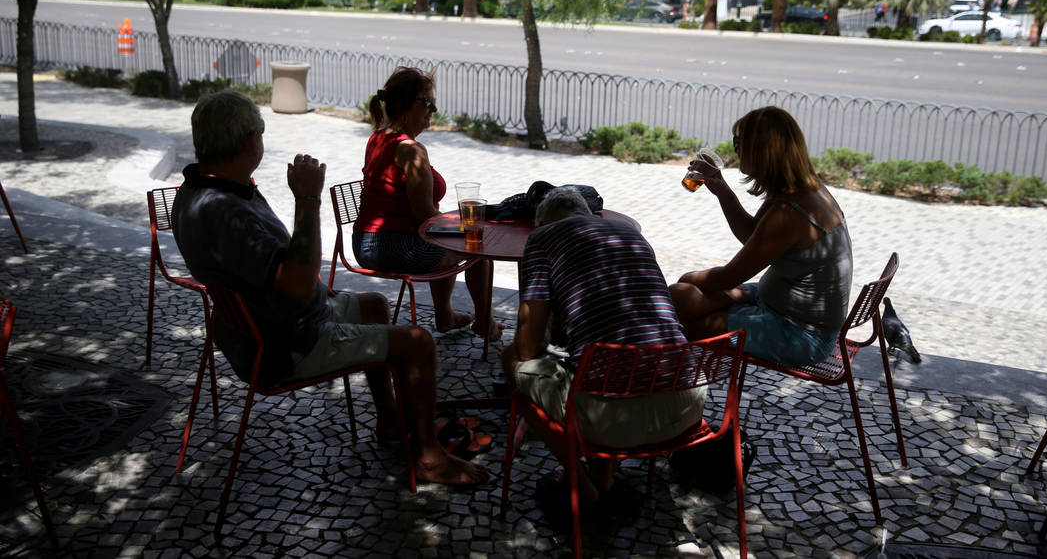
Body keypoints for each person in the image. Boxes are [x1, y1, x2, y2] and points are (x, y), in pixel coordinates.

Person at [171, 90, 488, 486]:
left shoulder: (200, 192)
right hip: (286, 345)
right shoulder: (227, 211)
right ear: (252, 141)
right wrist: (308, 199)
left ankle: (389, 419)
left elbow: (270, 269)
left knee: (373, 304)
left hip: (259, 327)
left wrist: (322, 288)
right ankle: (428, 458)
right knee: (418, 341)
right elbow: (297, 285)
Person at [502, 188, 704, 508]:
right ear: (589, 214)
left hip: (613, 420)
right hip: (686, 408)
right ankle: (603, 476)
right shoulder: (628, 232)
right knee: (604, 363)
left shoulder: (541, 240)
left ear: (542, 224)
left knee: (513, 361)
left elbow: (527, 347)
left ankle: (581, 484)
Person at [669, 106, 853, 368]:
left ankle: (666, 387)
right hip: (775, 302)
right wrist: (721, 190)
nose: (735, 149)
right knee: (681, 296)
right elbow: (752, 237)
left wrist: (688, 277)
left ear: (760, 149)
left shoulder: (790, 211)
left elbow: (729, 276)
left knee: (684, 312)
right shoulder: (800, 188)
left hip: (799, 334)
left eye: (738, 142)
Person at [352, 66, 496, 339]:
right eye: (427, 102)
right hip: (394, 245)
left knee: (457, 239)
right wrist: (465, 229)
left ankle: (446, 316)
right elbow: (424, 216)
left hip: (363, 241)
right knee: (479, 249)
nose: (435, 109)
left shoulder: (378, 136)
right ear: (404, 107)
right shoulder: (411, 150)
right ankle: (484, 323)